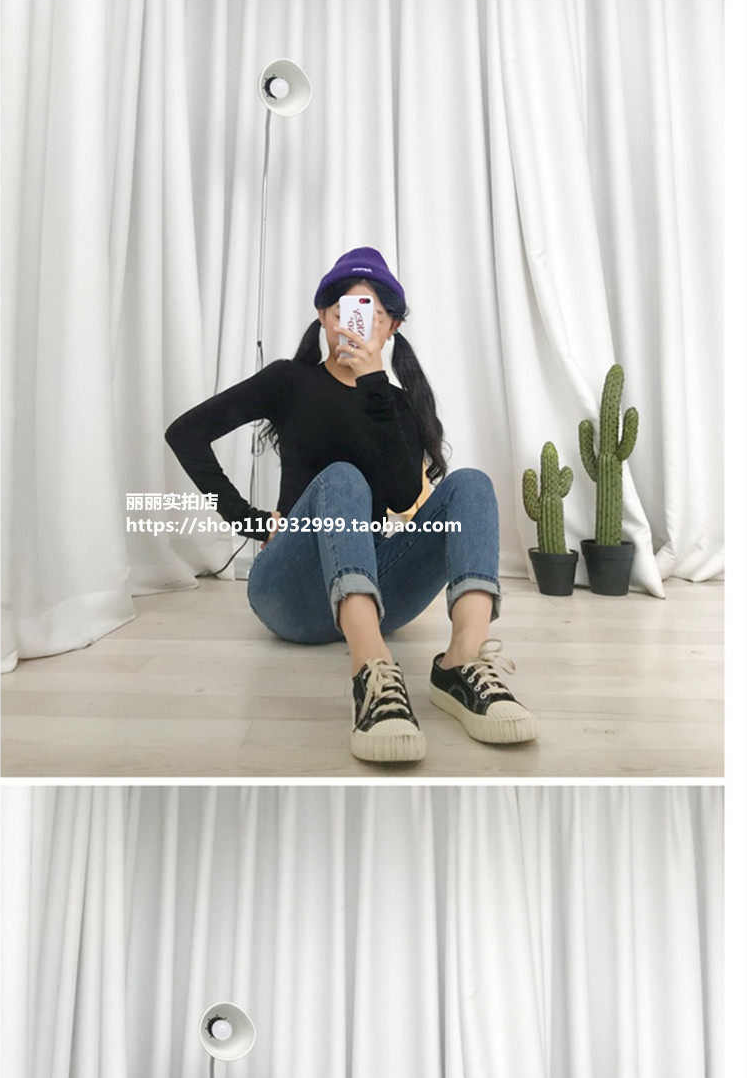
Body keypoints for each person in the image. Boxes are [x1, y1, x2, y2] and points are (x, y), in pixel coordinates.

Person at [164, 244, 537, 765]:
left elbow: (404, 497)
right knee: (342, 478)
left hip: (380, 594)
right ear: (323, 316)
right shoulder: (288, 381)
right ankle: (370, 670)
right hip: (291, 592)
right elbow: (185, 433)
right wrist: (251, 521)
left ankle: (463, 661)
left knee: (472, 483)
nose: (353, 325)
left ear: (391, 328)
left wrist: (374, 387)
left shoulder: (395, 402)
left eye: (371, 315)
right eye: (343, 311)